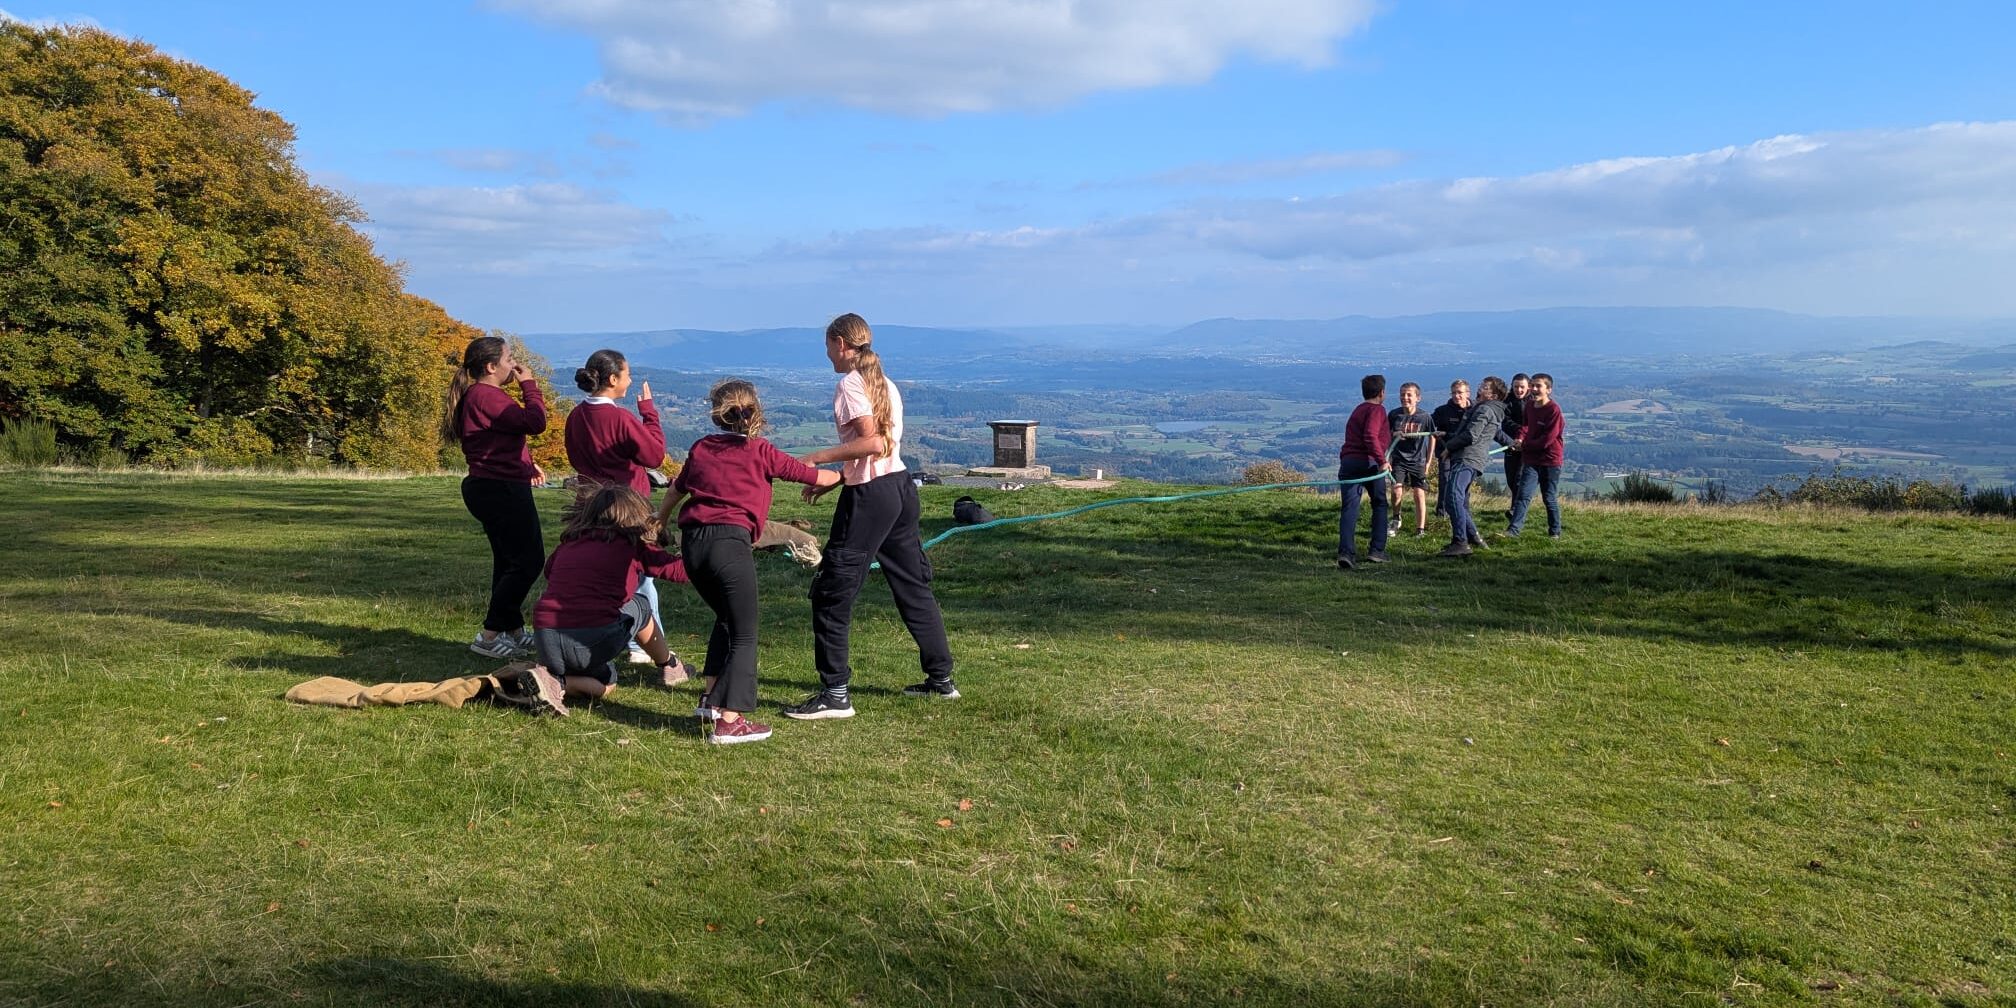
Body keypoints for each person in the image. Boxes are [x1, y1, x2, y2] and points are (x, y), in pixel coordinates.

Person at [784, 313, 958, 720]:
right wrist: (838, 479)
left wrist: (817, 458)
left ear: (841, 343)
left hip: (871, 498)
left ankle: (835, 694)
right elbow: (881, 452)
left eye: (828, 346)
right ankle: (941, 679)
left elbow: (873, 442)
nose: (827, 354)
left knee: (832, 591)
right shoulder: (885, 383)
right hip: (899, 488)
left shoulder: (850, 384)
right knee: (912, 584)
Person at [658, 379, 840, 744]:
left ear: (718, 414)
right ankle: (730, 721)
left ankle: (710, 698)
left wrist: (660, 521)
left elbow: (677, 488)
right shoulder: (760, 451)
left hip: (693, 544)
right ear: (755, 411)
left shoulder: (702, 447)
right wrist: (846, 474)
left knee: (727, 618)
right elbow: (816, 476)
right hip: (729, 545)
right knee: (745, 632)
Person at [529, 485, 690, 711]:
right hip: (589, 639)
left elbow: (549, 572)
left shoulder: (570, 542)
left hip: (545, 637)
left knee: (592, 670)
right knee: (640, 607)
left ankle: (548, 678)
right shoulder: (633, 546)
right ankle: (670, 666)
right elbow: (683, 573)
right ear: (638, 514)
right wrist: (692, 547)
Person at [564, 349, 671, 667]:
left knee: (602, 570)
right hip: (627, 507)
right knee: (640, 575)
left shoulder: (576, 416)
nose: (630, 380)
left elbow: (574, 458)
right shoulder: (620, 418)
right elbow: (654, 456)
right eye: (627, 374)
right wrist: (649, 414)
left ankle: (603, 633)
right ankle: (644, 643)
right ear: (613, 379)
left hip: (589, 505)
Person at [443, 336, 548, 660]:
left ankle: (513, 630)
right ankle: (489, 636)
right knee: (529, 561)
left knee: (508, 561)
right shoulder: (488, 396)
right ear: (491, 367)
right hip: (501, 488)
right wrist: (529, 386)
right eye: (508, 359)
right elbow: (535, 423)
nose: (513, 364)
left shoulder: (478, 395)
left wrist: (526, 465)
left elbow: (499, 439)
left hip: (491, 484)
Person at [1437, 376, 1509, 557]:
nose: (1480, 389)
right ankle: (1473, 538)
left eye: (1484, 387)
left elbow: (1471, 435)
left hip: (1466, 458)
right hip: (1472, 459)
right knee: (1458, 501)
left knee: (1452, 497)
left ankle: (1460, 542)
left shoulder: (1485, 409)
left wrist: (1449, 447)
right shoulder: (1489, 410)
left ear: (1493, 395)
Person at [1335, 374, 1392, 570]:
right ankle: (1377, 550)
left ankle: (1346, 553)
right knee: (1379, 503)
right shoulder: (1377, 410)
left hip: (1349, 463)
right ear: (1382, 392)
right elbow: (1370, 435)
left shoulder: (1358, 409)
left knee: (1349, 508)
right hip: (1369, 464)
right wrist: (1382, 461)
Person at [1508, 372, 1565, 539]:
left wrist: (1524, 445)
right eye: (1532, 385)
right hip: (1531, 459)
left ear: (1549, 390)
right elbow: (1525, 426)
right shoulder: (1530, 406)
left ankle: (1555, 531)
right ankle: (1513, 531)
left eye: (1538, 386)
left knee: (1549, 497)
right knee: (1523, 495)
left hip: (1550, 460)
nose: (1533, 389)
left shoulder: (1553, 410)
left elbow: (1547, 439)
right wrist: (1520, 438)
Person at [1385, 382, 1436, 538]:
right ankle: (1396, 519)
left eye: (1409, 395)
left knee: (1419, 494)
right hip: (1399, 459)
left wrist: (1428, 462)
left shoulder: (1424, 417)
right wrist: (1391, 440)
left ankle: (1420, 530)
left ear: (1417, 398)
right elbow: (1384, 435)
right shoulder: (1394, 415)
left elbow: (1432, 436)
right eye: (1402, 394)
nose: (1405, 398)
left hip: (1418, 460)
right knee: (1396, 490)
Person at [1429, 380, 1470, 522]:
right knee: (1445, 480)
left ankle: (1464, 512)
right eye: (1453, 393)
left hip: (1465, 453)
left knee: (1463, 484)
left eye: (1460, 392)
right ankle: (1442, 513)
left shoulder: (1474, 411)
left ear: (1467, 393)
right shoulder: (1442, 411)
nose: (1456, 396)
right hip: (1445, 452)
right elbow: (1428, 424)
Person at [1500, 373, 1531, 523]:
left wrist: (1523, 435)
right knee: (1511, 479)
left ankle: (1515, 510)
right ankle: (1518, 507)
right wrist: (1518, 433)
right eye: (1516, 387)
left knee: (1519, 479)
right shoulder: (1506, 402)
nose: (1519, 390)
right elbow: (1504, 422)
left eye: (1522, 387)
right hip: (1510, 445)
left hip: (1528, 446)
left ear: (1528, 387)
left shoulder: (1533, 401)